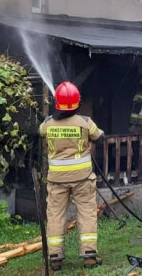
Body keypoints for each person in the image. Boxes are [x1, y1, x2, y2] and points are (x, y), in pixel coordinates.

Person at [39, 81, 104, 271]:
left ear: (57, 102)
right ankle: (89, 255)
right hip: (83, 179)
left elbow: (40, 131)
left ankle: (55, 257)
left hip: (57, 180)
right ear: (77, 102)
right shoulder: (85, 122)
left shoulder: (48, 124)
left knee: (55, 216)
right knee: (87, 213)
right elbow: (100, 136)